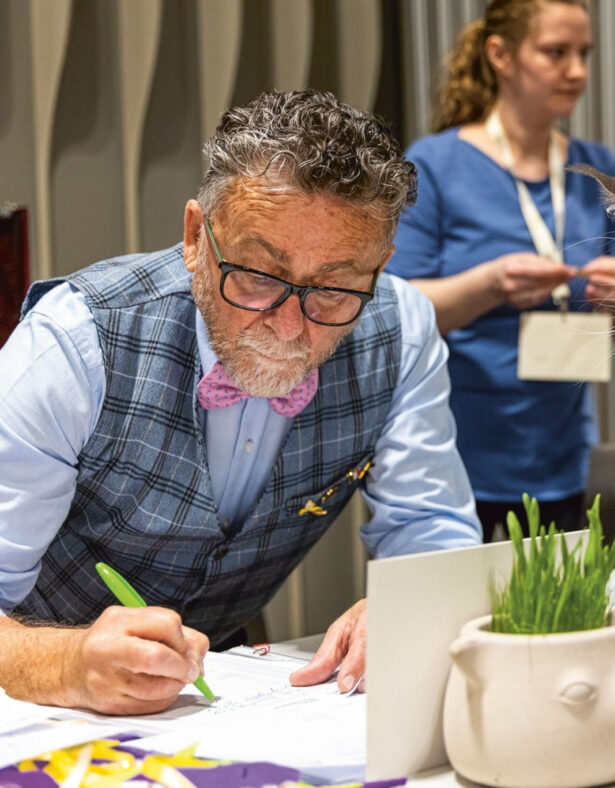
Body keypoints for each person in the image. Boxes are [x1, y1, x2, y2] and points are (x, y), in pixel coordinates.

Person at [0, 90, 481, 715]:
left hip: (225, 702)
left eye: (334, 289)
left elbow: (432, 532)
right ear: (196, 237)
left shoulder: (403, 334)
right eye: (256, 276)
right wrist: (65, 663)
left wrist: (412, 603)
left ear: (379, 268)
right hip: (40, 706)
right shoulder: (74, 344)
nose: (288, 326)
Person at [387, 0, 615, 541]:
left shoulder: (600, 171)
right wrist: (490, 285)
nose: (577, 71)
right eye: (556, 53)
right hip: (452, 458)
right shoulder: (435, 164)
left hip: (563, 457)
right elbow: (397, 312)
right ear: (500, 55)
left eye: (584, 54)